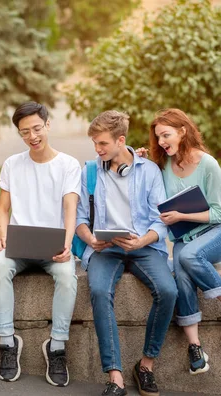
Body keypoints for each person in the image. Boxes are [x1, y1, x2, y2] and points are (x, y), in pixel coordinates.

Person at [75, 110, 177, 396]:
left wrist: (142, 241)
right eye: (95, 143)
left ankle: (145, 366)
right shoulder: (91, 172)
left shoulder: (149, 171)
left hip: (144, 247)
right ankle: (115, 376)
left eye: (103, 144)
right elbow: (79, 219)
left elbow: (161, 219)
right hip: (106, 249)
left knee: (168, 291)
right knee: (98, 291)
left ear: (121, 141)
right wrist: (91, 240)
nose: (98, 150)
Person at [148, 108, 221, 375]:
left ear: (183, 131)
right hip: (185, 237)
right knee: (180, 271)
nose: (161, 142)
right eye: (158, 137)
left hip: (218, 232)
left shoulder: (208, 164)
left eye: (166, 135)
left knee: (187, 257)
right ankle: (195, 347)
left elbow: (219, 212)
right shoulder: (163, 165)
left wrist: (181, 214)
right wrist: (138, 158)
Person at [0, 101, 80, 387]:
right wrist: (2, 237)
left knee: (68, 277)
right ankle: (7, 342)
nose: (32, 136)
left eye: (37, 128)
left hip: (53, 248)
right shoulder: (12, 164)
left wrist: (67, 245)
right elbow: (2, 209)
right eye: (25, 132)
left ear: (47, 125)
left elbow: (70, 209)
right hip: (19, 245)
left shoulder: (68, 165)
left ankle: (56, 347)